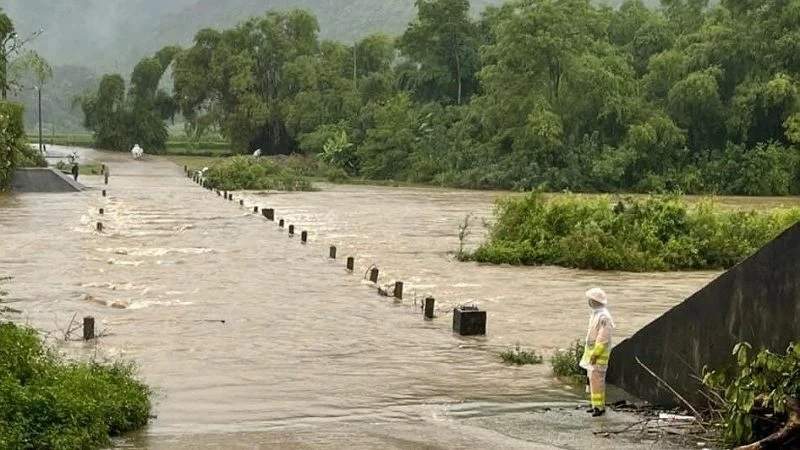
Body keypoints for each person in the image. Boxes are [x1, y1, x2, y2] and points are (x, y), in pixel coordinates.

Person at [580, 287, 615, 417]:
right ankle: (595, 405)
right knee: (593, 382)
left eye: (590, 300)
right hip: (592, 356)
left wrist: (595, 354)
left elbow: (603, 339)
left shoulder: (603, 317)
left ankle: (599, 408)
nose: (589, 302)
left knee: (597, 383)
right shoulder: (596, 315)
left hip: (598, 357)